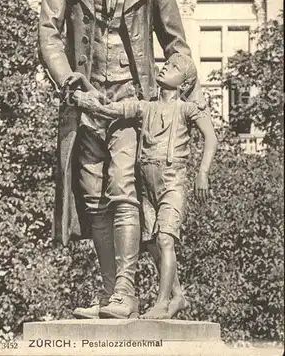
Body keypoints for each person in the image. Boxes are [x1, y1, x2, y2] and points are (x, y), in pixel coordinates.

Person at [38, 0, 204, 320]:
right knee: (92, 198)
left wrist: (177, 93)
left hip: (134, 103)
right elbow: (50, 36)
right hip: (86, 100)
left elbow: (177, 46)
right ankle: (115, 295)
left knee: (123, 190)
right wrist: (71, 82)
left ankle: (127, 292)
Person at [74, 53, 218, 319]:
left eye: (174, 67)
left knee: (165, 239)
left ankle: (163, 303)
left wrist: (203, 172)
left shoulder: (187, 108)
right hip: (147, 184)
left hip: (172, 181)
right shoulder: (145, 107)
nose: (166, 67)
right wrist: (84, 86)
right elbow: (109, 107)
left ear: (184, 83)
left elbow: (211, 137)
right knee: (152, 242)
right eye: (168, 62)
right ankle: (178, 296)